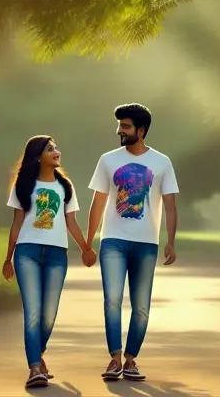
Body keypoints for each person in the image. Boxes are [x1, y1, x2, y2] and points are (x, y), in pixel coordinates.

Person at [85, 103, 179, 382]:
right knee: (112, 299)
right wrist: (89, 241)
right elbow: (98, 202)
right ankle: (114, 358)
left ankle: (131, 359)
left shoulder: (162, 162)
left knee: (141, 305)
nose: (119, 131)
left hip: (146, 243)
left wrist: (170, 241)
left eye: (125, 127)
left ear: (141, 130)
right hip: (112, 240)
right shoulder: (107, 160)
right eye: (119, 126)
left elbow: (171, 205)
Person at [1, 135, 96, 388]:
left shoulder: (64, 186)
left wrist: (86, 248)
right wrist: (8, 258)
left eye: (56, 148)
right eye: (50, 149)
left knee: (49, 315)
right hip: (27, 252)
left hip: (56, 254)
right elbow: (17, 224)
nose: (57, 152)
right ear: (37, 156)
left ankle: (38, 354)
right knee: (32, 313)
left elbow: (71, 222)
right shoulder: (22, 186)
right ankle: (34, 368)